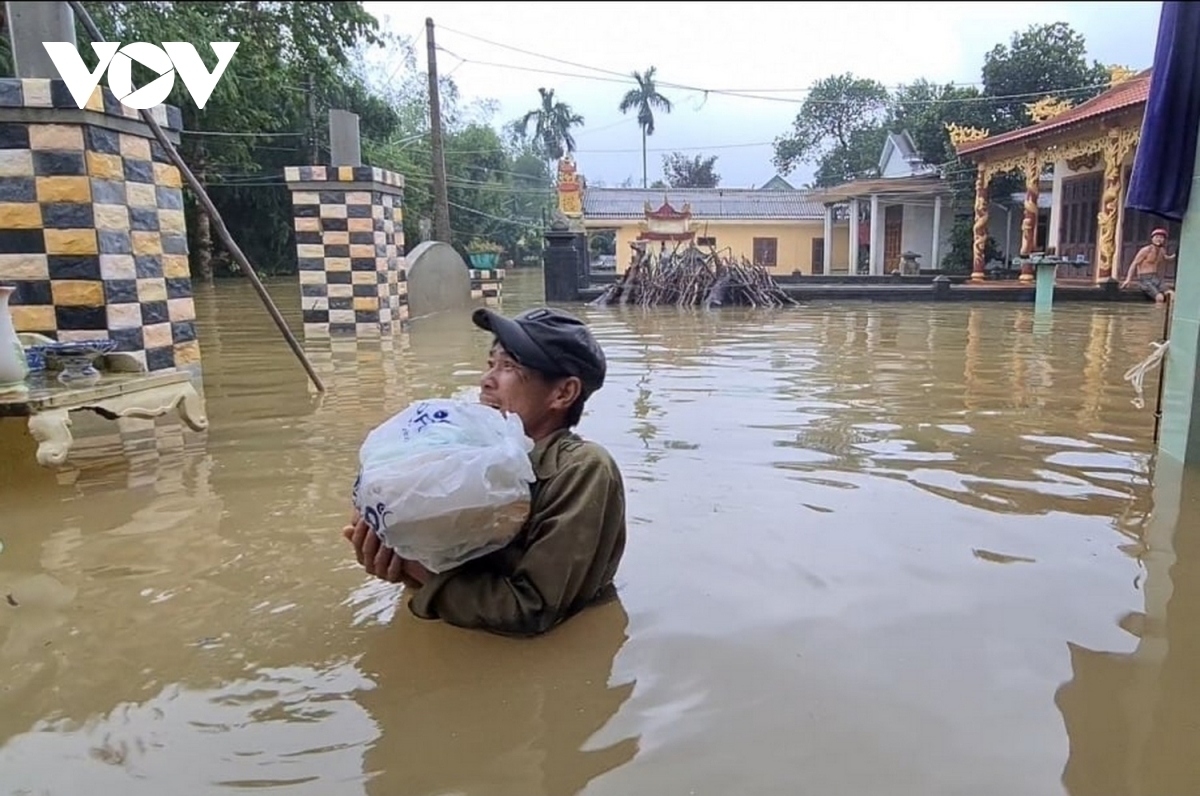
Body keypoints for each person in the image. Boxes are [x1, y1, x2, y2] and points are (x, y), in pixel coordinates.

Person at [342, 306, 627, 637]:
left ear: (563, 393)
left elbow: (530, 611)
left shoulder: (583, 469)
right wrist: (394, 546)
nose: (486, 380)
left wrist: (416, 571)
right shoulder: (467, 456)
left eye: (509, 367)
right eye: (490, 364)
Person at [1121, 227, 1177, 303]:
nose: (1159, 239)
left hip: (1155, 278)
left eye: (1161, 237)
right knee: (1160, 297)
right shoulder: (1146, 250)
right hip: (1145, 279)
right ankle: (1156, 312)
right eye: (1157, 237)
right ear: (1152, 239)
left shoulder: (1162, 250)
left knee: (1172, 295)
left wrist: (1176, 254)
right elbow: (1134, 264)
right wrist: (1128, 280)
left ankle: (1167, 313)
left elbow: (1167, 258)